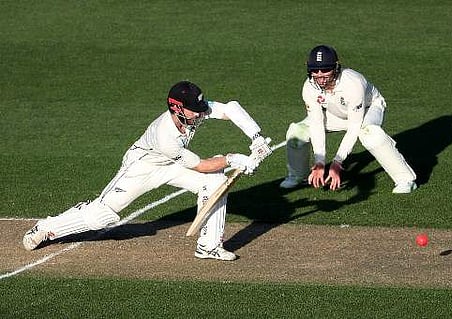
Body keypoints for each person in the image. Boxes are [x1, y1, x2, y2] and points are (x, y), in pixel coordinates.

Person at [23, 80, 272, 261]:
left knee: (216, 184)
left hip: (172, 165)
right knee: (103, 215)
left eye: (200, 107)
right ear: (177, 109)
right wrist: (232, 158)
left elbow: (231, 108)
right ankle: (46, 227)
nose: (200, 113)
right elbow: (200, 165)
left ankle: (208, 247)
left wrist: (256, 138)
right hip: (142, 168)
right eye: (194, 110)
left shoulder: (194, 111)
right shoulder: (166, 135)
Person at [280, 45, 417, 193]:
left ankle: (405, 179)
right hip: (336, 112)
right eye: (315, 70)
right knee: (297, 132)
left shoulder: (353, 83)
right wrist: (320, 162)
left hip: (367, 109)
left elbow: (354, 128)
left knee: (370, 133)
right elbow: (316, 124)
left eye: (325, 69)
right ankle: (298, 175)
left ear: (336, 67)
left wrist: (337, 162)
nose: (320, 75)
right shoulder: (309, 87)